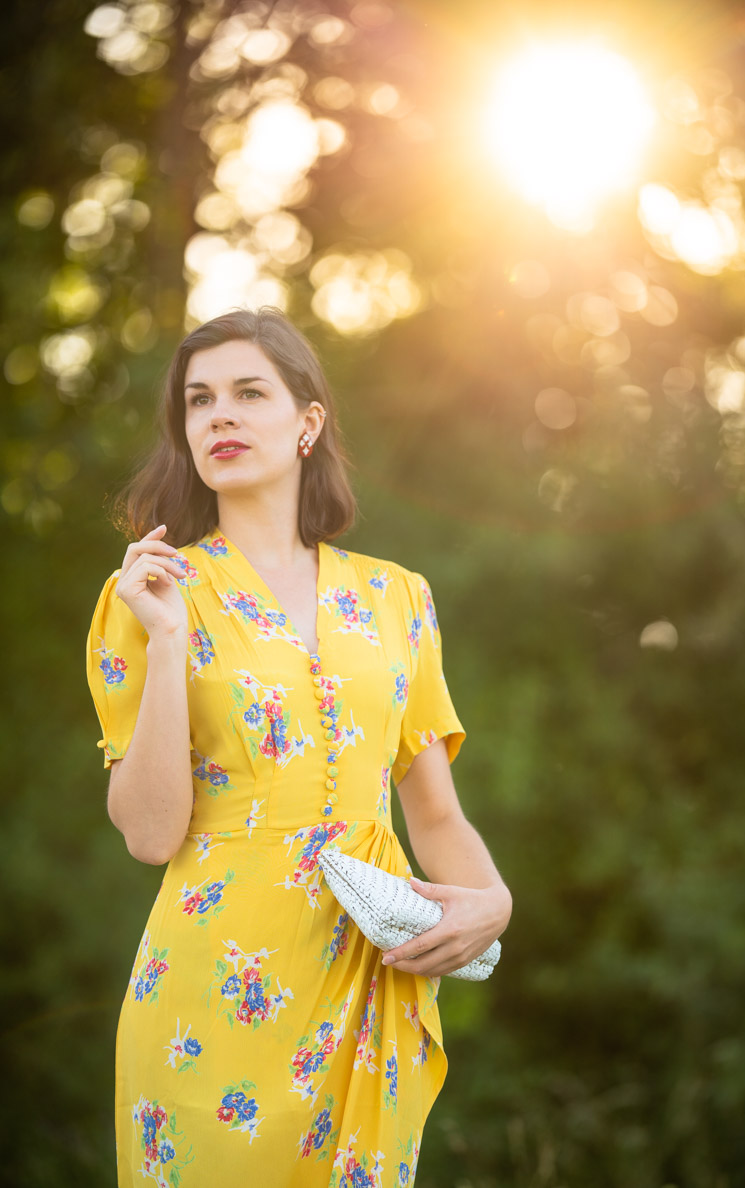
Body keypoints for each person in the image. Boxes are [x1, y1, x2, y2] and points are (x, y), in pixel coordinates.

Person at [85, 306, 512, 1186]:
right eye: (199, 402)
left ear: (308, 421)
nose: (220, 417)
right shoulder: (150, 592)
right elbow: (150, 834)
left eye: (249, 393)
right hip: (210, 997)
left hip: (366, 978)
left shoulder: (399, 600)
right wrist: (167, 640)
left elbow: (435, 813)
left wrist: (493, 902)